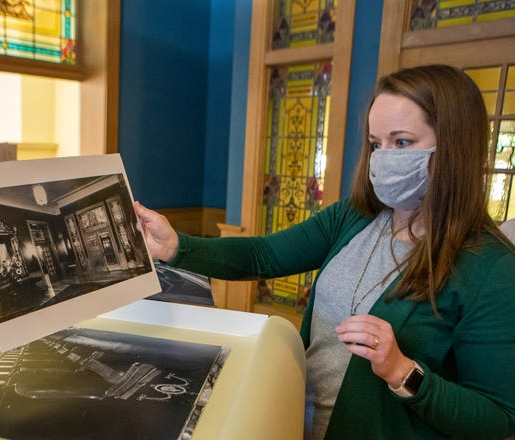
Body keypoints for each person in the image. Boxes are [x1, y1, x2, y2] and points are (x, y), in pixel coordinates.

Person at [134, 64, 515, 439]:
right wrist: (177, 246)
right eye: (375, 143)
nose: (382, 157)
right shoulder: (355, 216)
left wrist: (403, 372)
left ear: (453, 146)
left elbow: (498, 418)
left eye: (401, 142)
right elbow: (265, 255)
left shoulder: (491, 269)